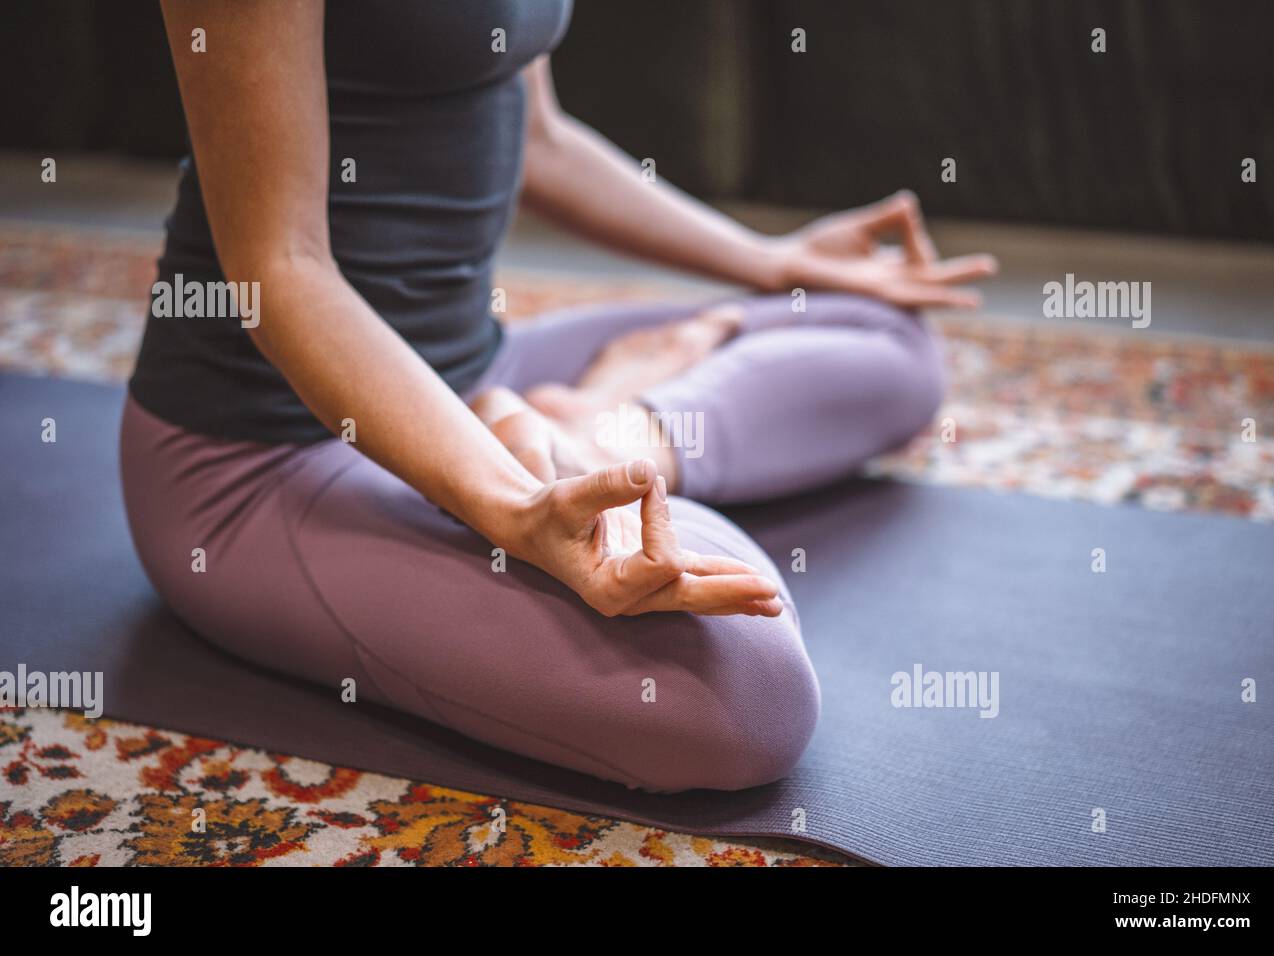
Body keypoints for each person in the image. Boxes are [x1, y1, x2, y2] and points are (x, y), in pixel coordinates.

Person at [121, 0, 997, 793]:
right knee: (742, 696)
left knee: (886, 337)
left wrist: (774, 260)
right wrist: (515, 504)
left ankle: (604, 428)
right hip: (262, 460)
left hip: (477, 372)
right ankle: (569, 443)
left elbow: (540, 136)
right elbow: (282, 271)